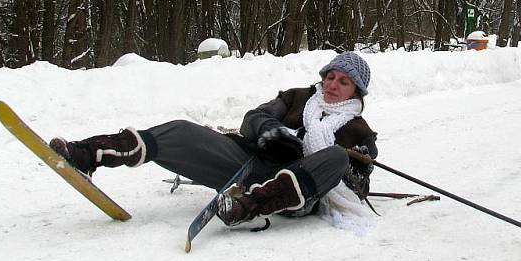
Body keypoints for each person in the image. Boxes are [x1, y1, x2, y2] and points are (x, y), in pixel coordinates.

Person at [49, 51, 378, 228]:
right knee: (180, 130)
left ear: (356, 92)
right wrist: (269, 132)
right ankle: (88, 154)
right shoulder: (297, 97)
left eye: (344, 82)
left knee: (334, 156)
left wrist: (339, 160)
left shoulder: (359, 131)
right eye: (330, 77)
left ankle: (246, 208)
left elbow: (358, 187)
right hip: (249, 166)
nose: (333, 85)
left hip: (295, 194)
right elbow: (253, 117)